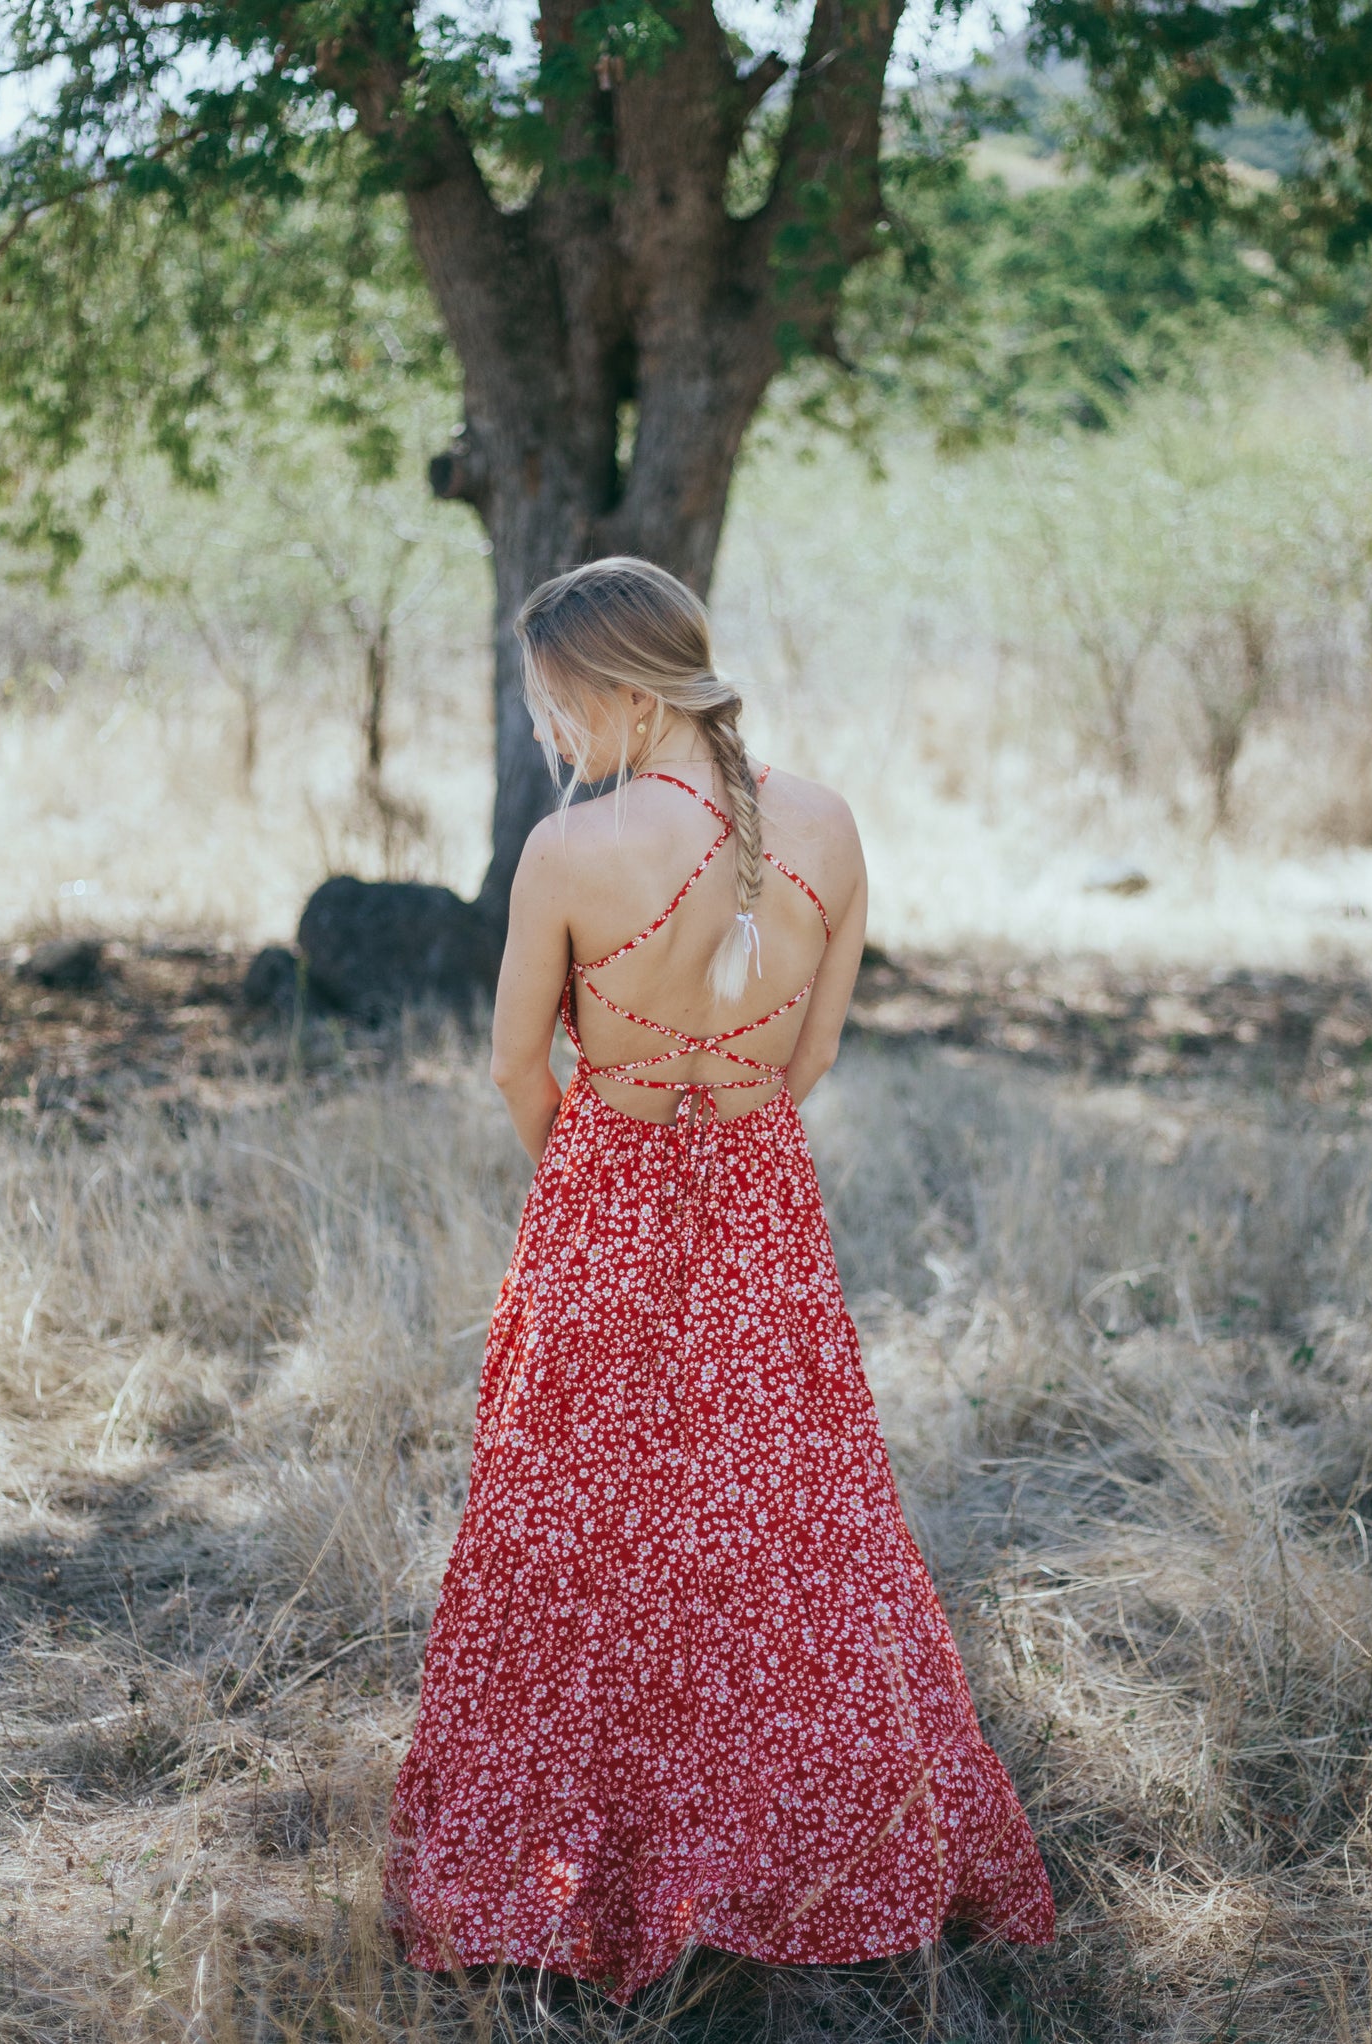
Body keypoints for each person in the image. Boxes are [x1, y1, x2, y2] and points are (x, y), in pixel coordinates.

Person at [383, 557, 1055, 2002]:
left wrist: (587, 1180)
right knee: (792, 1533)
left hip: (603, 1194)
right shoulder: (823, 823)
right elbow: (807, 1062)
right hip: (759, 1198)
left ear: (624, 691)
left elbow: (516, 1062)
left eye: (556, 704)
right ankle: (804, 1860)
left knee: (576, 1529)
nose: (552, 734)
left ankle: (590, 1874)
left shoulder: (571, 851)